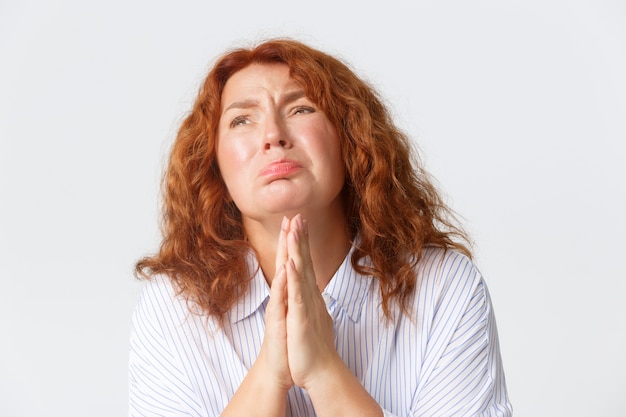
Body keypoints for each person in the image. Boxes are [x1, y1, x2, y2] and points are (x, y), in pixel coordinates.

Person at [128, 38, 512, 417]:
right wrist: (269, 376)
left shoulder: (443, 286)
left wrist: (325, 371)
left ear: (352, 141)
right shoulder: (173, 307)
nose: (273, 135)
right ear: (214, 168)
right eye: (242, 119)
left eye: (301, 109)